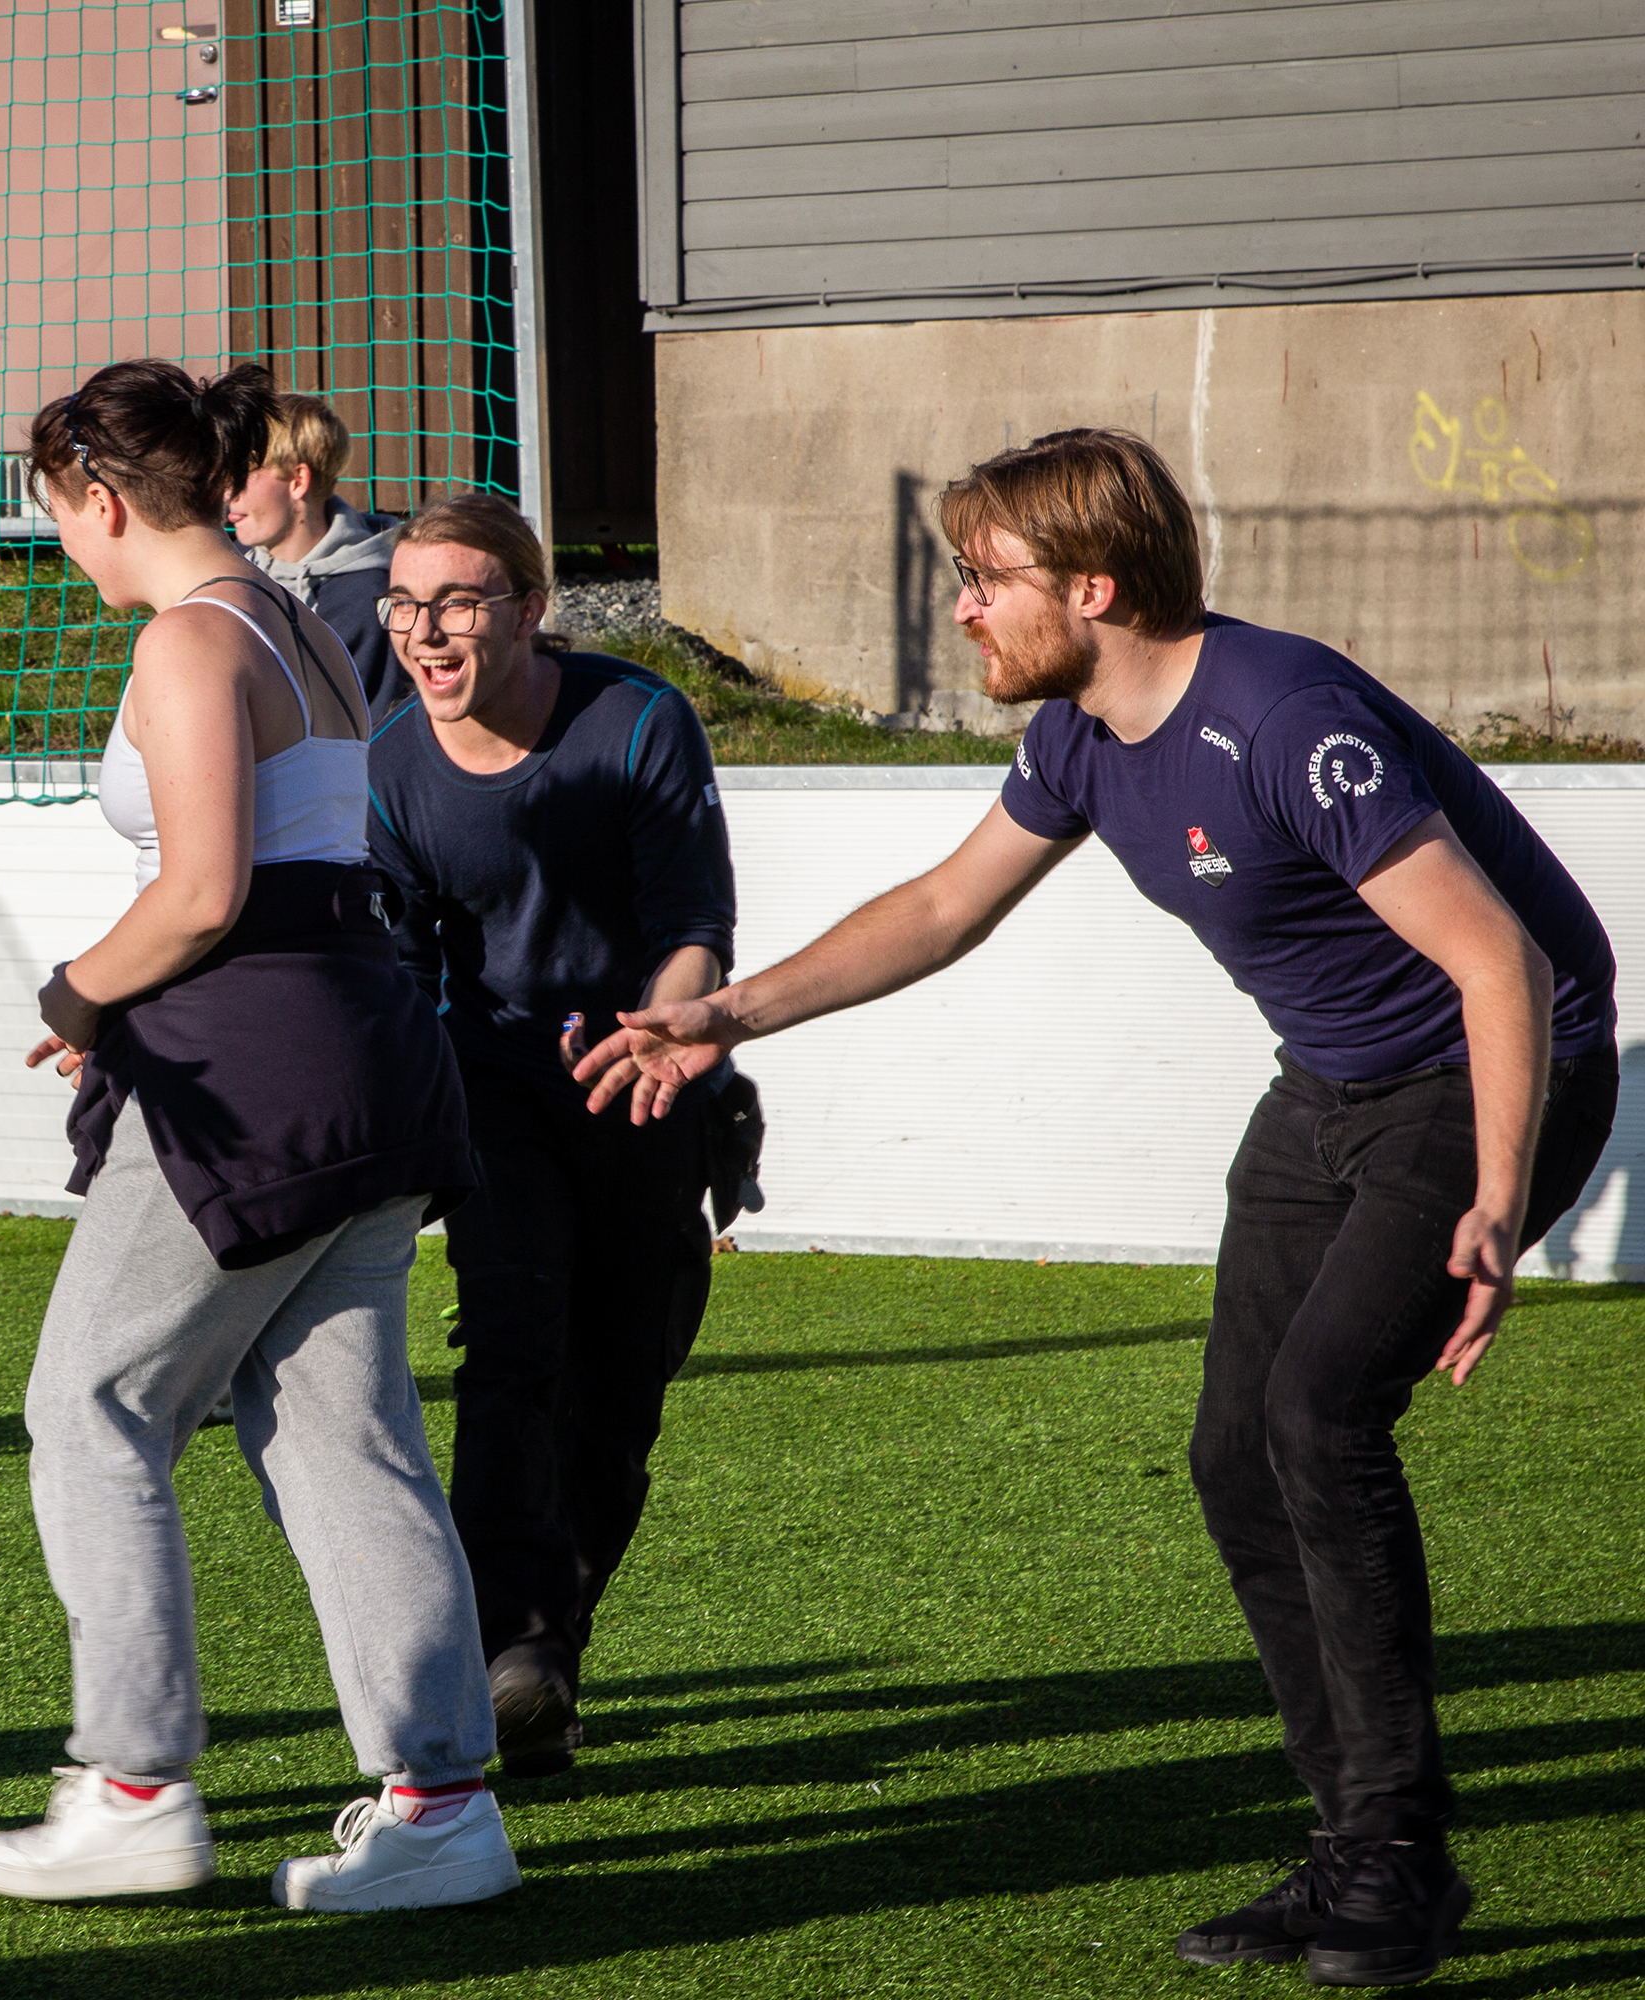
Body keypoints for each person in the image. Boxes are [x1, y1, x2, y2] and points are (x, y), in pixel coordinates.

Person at [592, 428, 1619, 1989]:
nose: (963, 610)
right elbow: (941, 908)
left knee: (1322, 1415)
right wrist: (722, 1017)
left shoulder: (1283, 719)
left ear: (1096, 583)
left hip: (1481, 1075)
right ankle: (1352, 1844)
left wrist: (1493, 1200)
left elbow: (1503, 968)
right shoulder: (1077, 734)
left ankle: (1400, 1864)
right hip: (1330, 1091)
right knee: (1235, 1451)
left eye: (984, 578)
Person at [0, 358, 520, 1914]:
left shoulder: (191, 639)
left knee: (92, 1406)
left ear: (100, 494)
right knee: (347, 1442)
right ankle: (443, 1803)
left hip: (253, 1077)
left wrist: (75, 995)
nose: (58, 541)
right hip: (369, 1062)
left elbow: (204, 890)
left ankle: (133, 1786)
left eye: (54, 511)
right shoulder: (298, 622)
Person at [361, 491, 738, 1779]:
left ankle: (549, 1655)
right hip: (494, 1089)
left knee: (621, 1384)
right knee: (514, 1349)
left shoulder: (637, 721)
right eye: (404, 603)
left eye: (455, 600)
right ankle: (505, 1654)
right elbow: (402, 966)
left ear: (531, 608)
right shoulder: (391, 762)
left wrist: (673, 1039)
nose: (423, 629)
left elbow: (696, 920)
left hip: (645, 1076)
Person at [228, 391, 404, 715]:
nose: (228, 490)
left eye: (246, 474)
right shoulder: (230, 571)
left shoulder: (366, 597)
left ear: (297, 480)